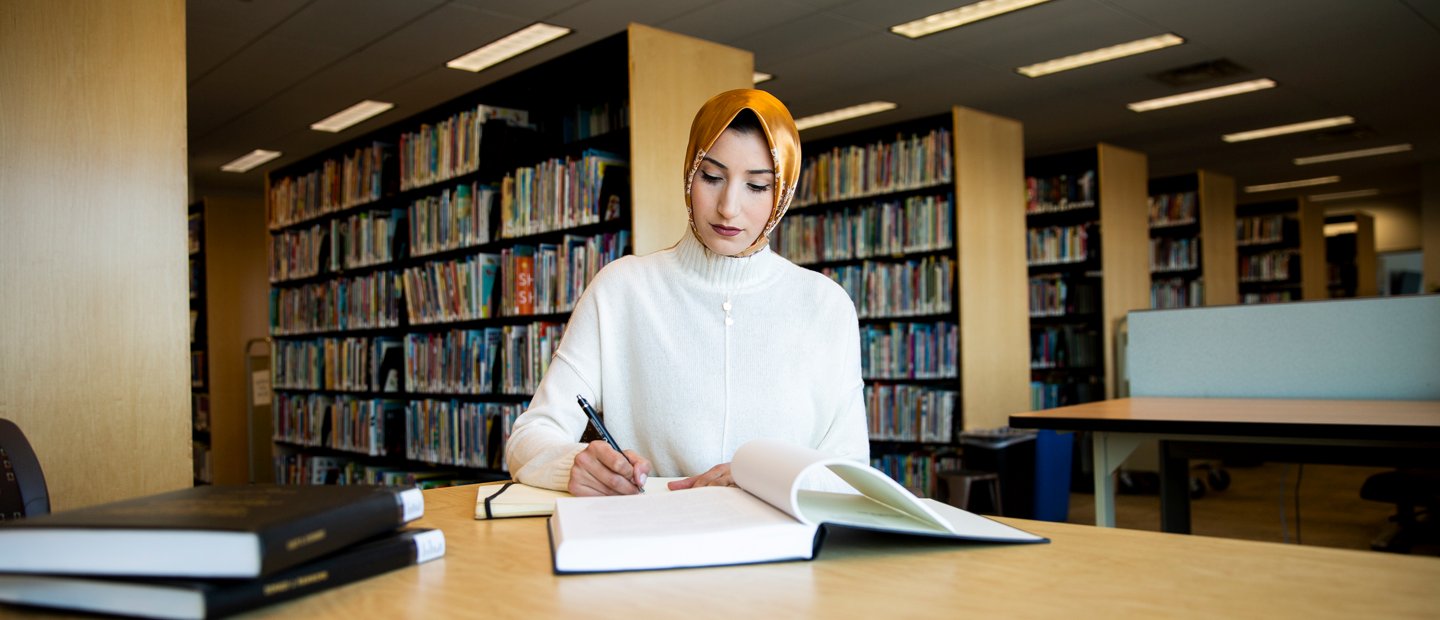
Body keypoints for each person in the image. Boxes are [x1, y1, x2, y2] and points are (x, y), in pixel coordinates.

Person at [504, 89, 869, 495]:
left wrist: (766, 476)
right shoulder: (621, 289)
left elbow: (853, 472)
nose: (728, 207)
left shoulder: (826, 305)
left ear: (782, 192)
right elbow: (528, 439)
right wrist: (574, 464)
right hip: (654, 544)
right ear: (688, 173)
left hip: (790, 549)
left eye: (757, 186)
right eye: (711, 177)